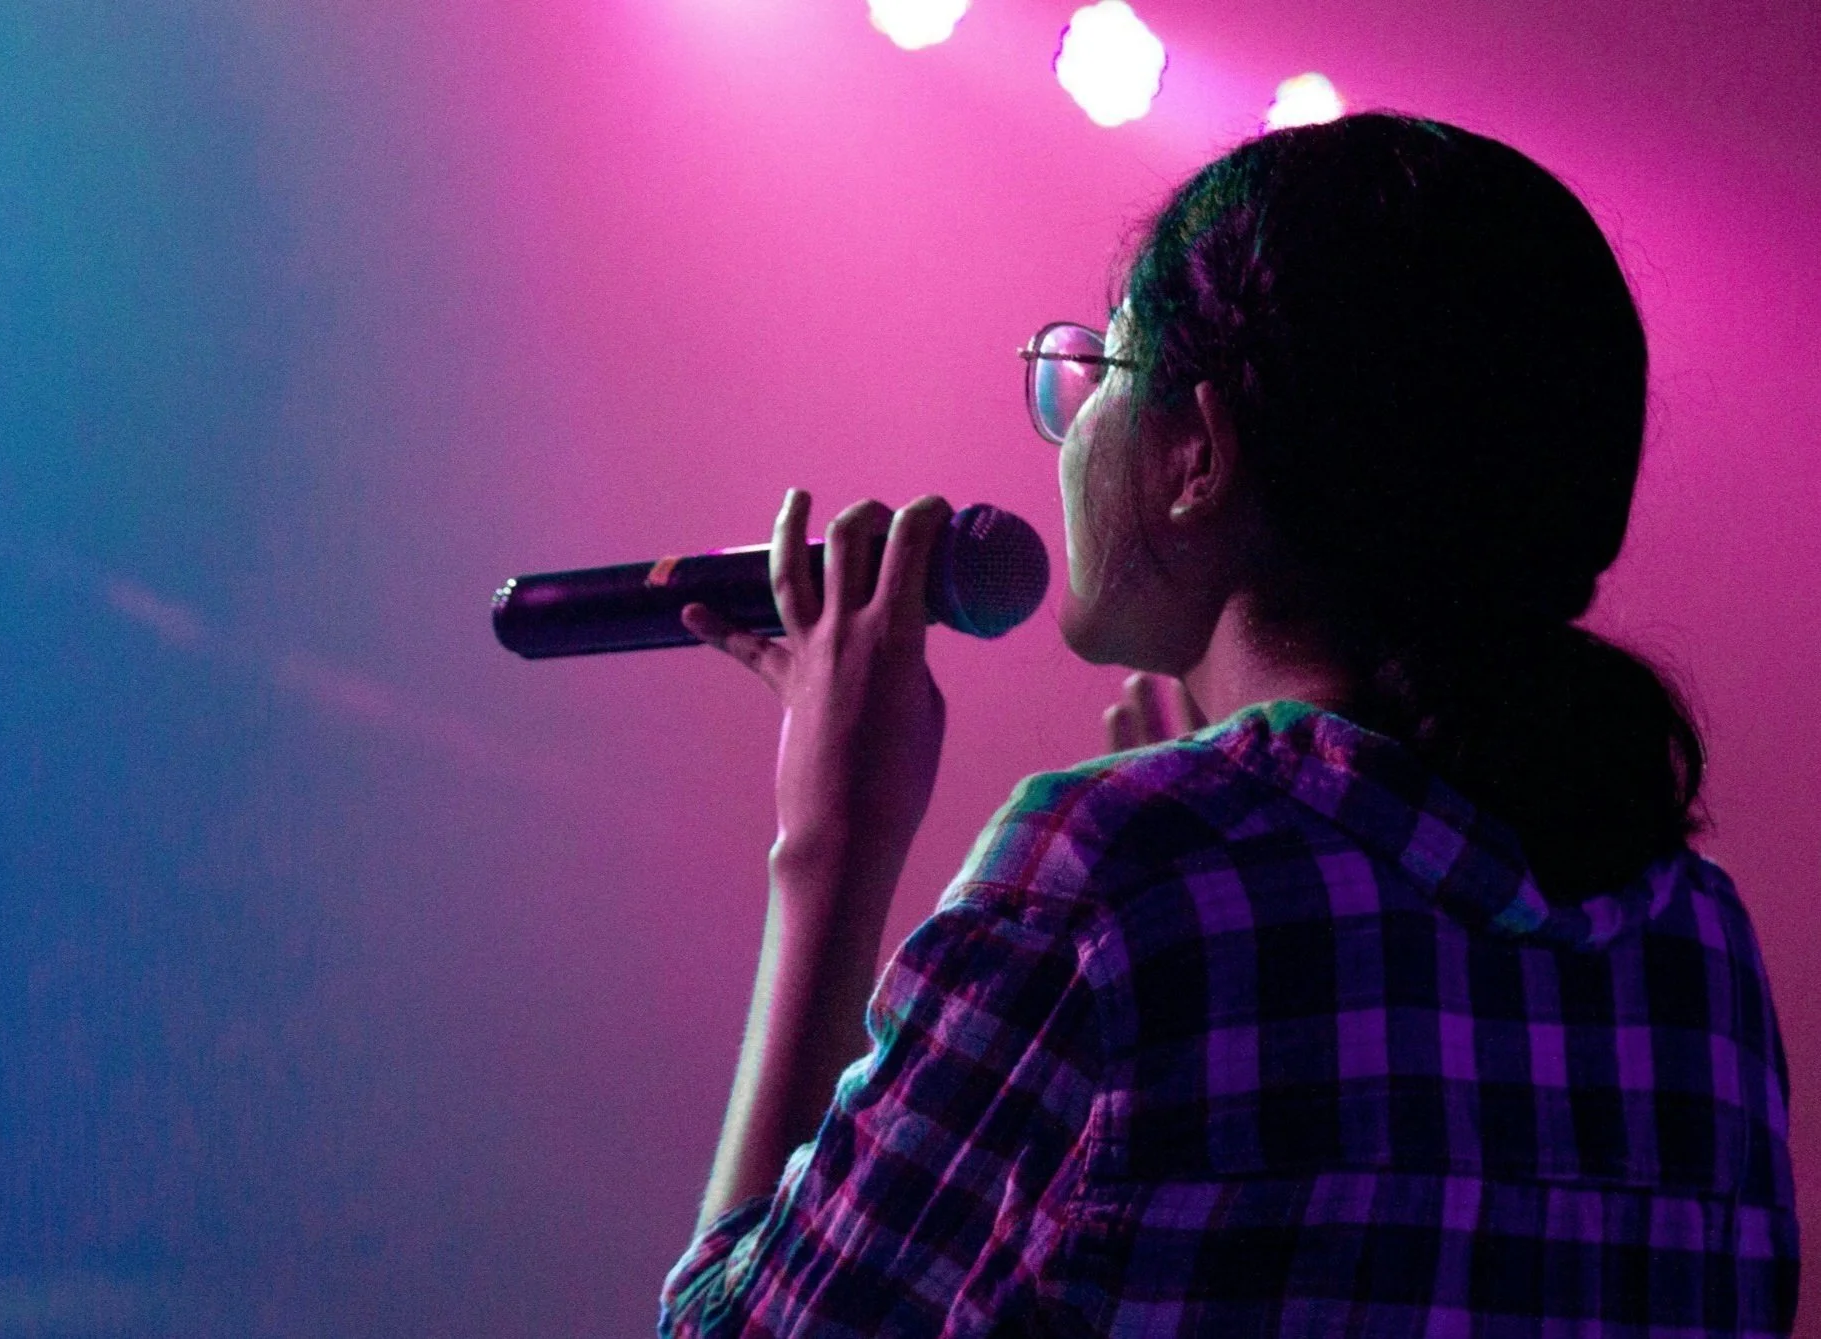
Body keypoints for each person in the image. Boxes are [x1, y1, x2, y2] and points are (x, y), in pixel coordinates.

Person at [660, 113, 1798, 1336]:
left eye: (1095, 373)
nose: (1067, 423)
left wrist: (834, 843)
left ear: (1198, 454)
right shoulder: (1697, 938)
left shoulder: (1106, 880)